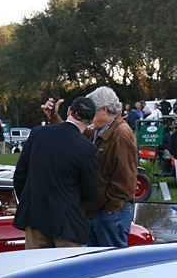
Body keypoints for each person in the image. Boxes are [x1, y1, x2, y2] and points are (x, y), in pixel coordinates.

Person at [41, 86, 139, 247]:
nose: (90, 116)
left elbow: (126, 178)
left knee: (111, 266)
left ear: (104, 110)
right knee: (96, 265)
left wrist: (109, 208)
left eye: (93, 110)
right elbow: (72, 134)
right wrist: (54, 117)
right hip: (97, 211)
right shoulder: (97, 131)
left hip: (110, 213)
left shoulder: (121, 133)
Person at [13, 96, 99, 249]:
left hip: (36, 215)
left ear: (69, 111)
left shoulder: (38, 133)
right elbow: (90, 192)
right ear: (91, 122)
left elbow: (20, 175)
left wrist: (30, 200)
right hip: (68, 223)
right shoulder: (87, 149)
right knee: (67, 269)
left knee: (36, 268)